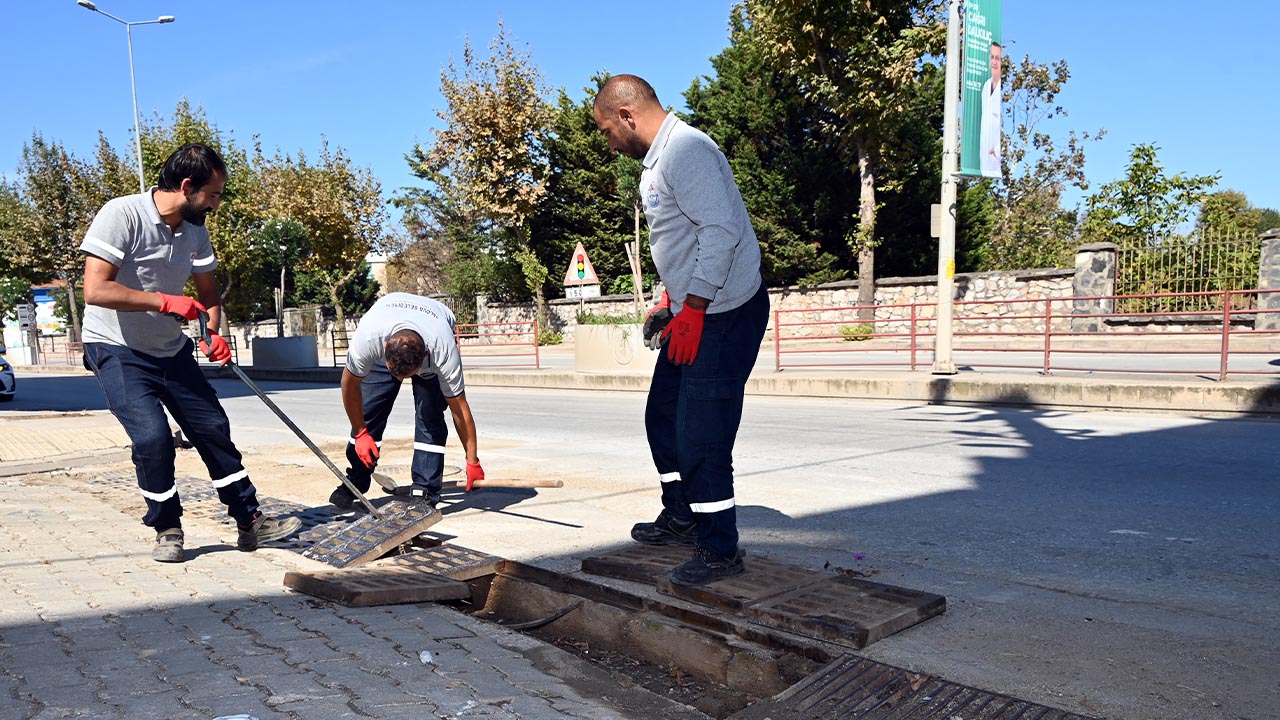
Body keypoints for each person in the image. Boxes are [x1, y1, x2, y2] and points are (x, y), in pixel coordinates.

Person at [80, 143, 302, 563]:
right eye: (214, 195)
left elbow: (208, 294)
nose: (217, 204)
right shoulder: (121, 215)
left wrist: (213, 332)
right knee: (153, 438)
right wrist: (164, 301)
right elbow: (95, 290)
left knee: (212, 427)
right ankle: (166, 526)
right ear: (187, 186)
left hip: (170, 349)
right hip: (116, 347)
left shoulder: (195, 230)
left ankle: (250, 522)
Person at [593, 75, 770, 586]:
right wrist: (673, 298)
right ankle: (683, 515)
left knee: (702, 433)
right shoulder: (662, 157)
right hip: (694, 307)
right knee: (663, 416)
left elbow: (721, 231)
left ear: (628, 116)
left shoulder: (686, 149)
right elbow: (687, 237)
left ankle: (719, 549)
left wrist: (693, 307)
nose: (608, 142)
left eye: (607, 130)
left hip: (724, 312)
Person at [328, 292, 484, 510]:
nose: (401, 380)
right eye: (397, 374)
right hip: (390, 324)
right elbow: (349, 385)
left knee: (430, 417)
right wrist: (361, 432)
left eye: (408, 374)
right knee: (368, 411)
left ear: (425, 355)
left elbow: (460, 408)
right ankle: (356, 479)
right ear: (384, 349)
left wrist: (472, 460)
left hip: (433, 336)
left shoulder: (443, 351)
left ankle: (425, 488)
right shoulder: (368, 337)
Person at [979, 41, 1003, 178]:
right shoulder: (986, 87)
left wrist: (997, 150)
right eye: (992, 57)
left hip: (996, 163)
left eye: (997, 58)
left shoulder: (1004, 90)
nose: (994, 62)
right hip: (984, 162)